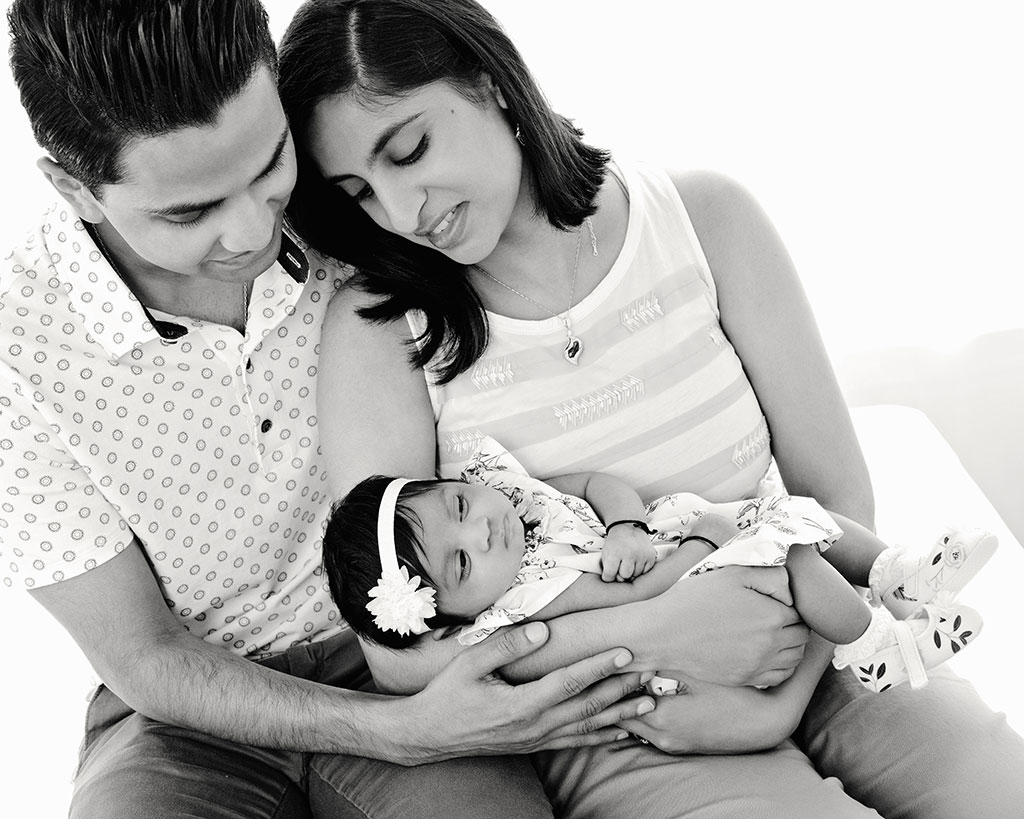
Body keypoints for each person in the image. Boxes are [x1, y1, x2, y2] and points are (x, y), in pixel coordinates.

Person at [276, 0, 1024, 816]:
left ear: (488, 80)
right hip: (629, 712)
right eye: (358, 192)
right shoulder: (379, 328)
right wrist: (656, 630)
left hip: (832, 637)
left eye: (410, 149)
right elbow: (402, 657)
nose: (402, 212)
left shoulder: (705, 219)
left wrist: (780, 678)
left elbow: (837, 497)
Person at [1, 2, 657, 817]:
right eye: (188, 212)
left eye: (267, 162)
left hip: (415, 645)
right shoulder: (16, 348)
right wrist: (400, 731)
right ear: (74, 188)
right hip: (184, 712)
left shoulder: (362, 202)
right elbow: (144, 654)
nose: (252, 229)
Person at [327, 436, 993, 693]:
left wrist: (623, 522)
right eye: (463, 558)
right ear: (458, 615)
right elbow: (635, 599)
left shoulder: (513, 495)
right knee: (791, 554)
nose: (482, 523)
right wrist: (703, 542)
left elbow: (592, 481)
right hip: (690, 584)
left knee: (793, 507)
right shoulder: (534, 597)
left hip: (674, 536)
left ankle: (893, 571)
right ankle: (877, 645)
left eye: (459, 504)